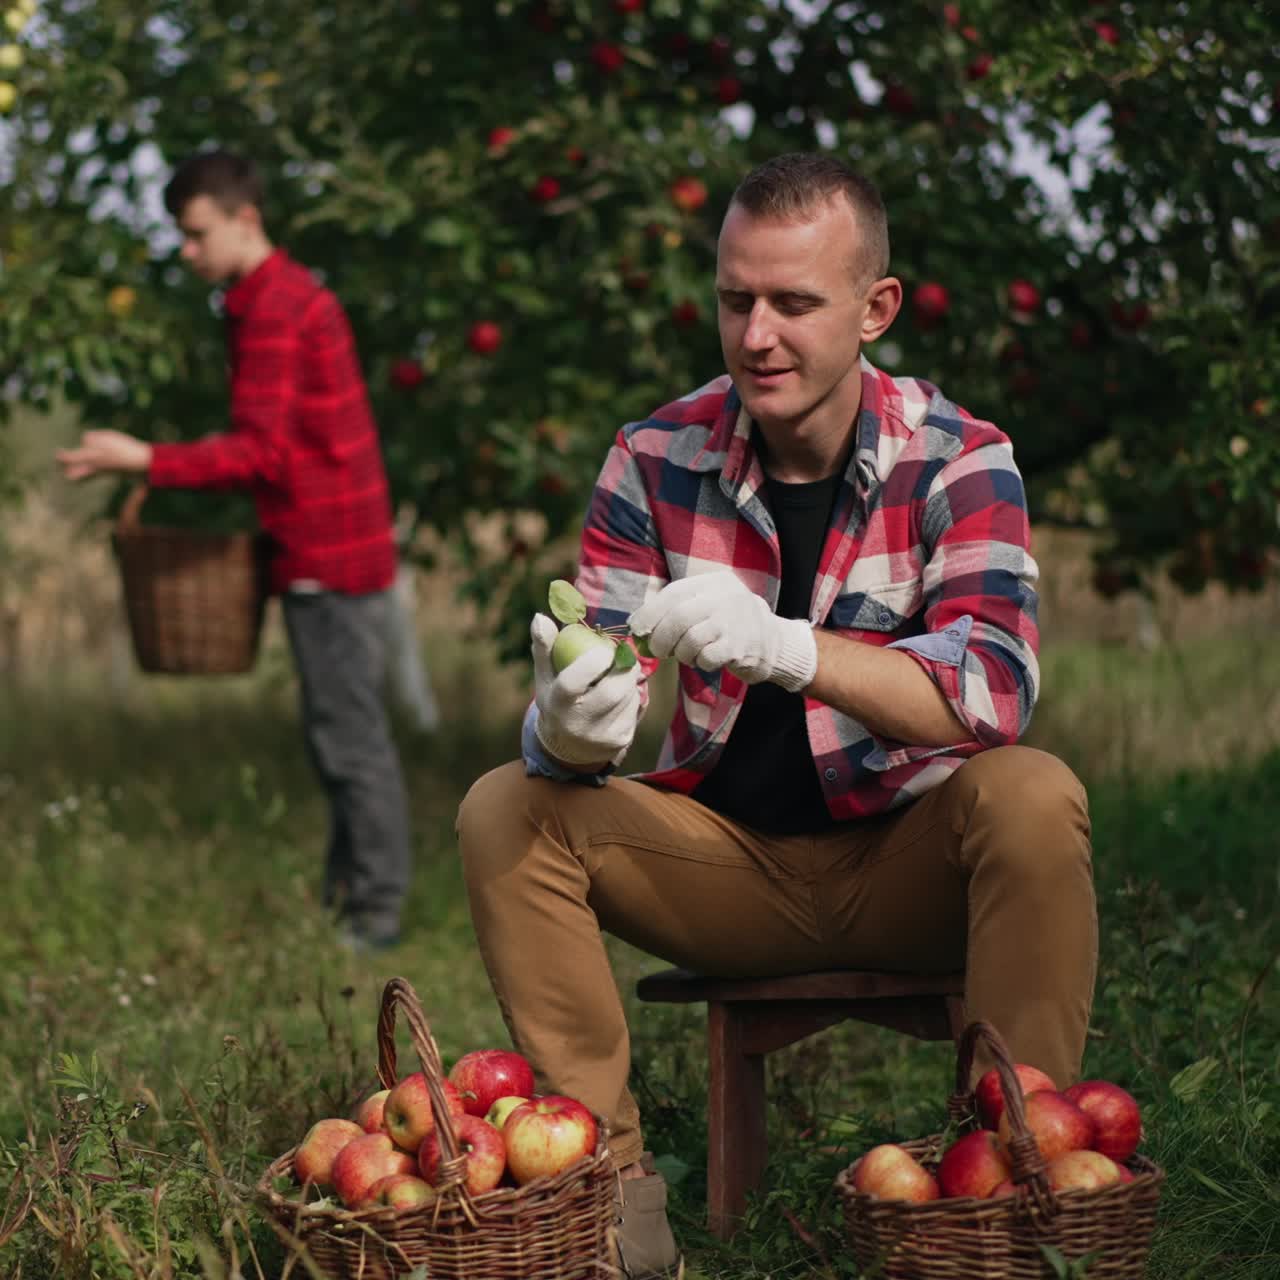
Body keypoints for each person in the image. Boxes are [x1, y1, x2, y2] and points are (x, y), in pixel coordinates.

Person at [458, 152, 1097, 1274]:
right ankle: (607, 1205)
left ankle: (1006, 1178)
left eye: (794, 303)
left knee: (1033, 792)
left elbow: (994, 689)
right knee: (504, 805)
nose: (756, 334)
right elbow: (595, 670)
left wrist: (790, 649)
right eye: (735, 299)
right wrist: (571, 724)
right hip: (723, 870)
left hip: (910, 863)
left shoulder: (960, 457)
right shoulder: (652, 458)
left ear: (873, 309)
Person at [57, 149, 413, 952]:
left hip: (331, 553)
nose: (186, 251)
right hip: (325, 544)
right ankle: (348, 898)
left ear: (243, 219)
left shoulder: (278, 308)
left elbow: (262, 455)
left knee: (349, 737)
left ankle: (375, 917)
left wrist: (144, 458)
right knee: (340, 731)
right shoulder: (268, 299)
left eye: (195, 234)